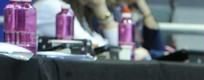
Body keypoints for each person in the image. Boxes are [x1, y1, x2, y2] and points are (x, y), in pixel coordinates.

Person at [35, 0, 164, 57]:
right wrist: (101, 8)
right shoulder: (54, 7)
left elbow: (122, 52)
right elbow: (105, 52)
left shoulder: (85, 13)